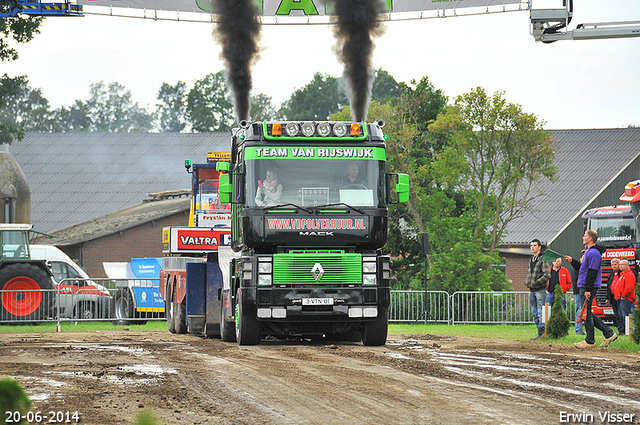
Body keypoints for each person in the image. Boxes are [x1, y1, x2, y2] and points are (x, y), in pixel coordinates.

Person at [571, 230, 618, 349]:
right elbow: (583, 268)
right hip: (584, 286)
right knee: (587, 313)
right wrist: (572, 261)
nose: (583, 237)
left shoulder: (594, 253)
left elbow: (592, 272)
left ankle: (590, 341)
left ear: (590, 238)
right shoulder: (589, 252)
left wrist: (587, 289)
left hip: (588, 287)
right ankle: (609, 333)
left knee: (586, 313)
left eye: (585, 236)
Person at [525, 239, 551, 340]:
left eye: (535, 245)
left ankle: (542, 333)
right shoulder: (531, 259)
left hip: (540, 289)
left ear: (539, 247)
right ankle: (539, 332)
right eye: (531, 245)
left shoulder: (543, 259)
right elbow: (529, 273)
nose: (532, 247)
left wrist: (537, 282)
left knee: (541, 312)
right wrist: (527, 282)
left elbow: (547, 274)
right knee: (534, 313)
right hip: (531, 289)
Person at [616, 259, 637, 332]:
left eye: (622, 264)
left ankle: (629, 331)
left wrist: (623, 295)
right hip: (622, 298)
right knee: (623, 315)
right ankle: (627, 330)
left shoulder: (629, 274)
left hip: (626, 298)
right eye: (620, 264)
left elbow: (629, 287)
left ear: (627, 265)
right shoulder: (623, 274)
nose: (620, 266)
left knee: (626, 315)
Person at [605, 258, 624, 335]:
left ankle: (623, 330)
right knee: (616, 314)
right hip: (613, 297)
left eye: (615, 264)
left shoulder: (622, 274)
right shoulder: (611, 274)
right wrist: (607, 298)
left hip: (620, 297)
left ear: (619, 265)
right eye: (612, 265)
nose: (614, 266)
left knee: (621, 314)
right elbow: (608, 287)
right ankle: (620, 329)